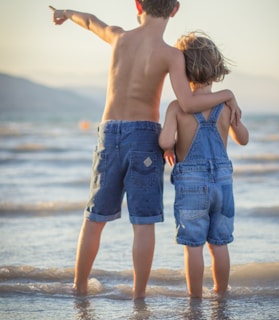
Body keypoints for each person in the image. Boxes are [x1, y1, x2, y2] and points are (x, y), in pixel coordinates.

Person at [49, 1, 241, 300]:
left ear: (138, 4)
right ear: (175, 10)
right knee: (143, 221)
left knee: (95, 217)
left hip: (109, 132)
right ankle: (138, 296)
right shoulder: (171, 55)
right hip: (144, 137)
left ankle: (80, 286)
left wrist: (65, 13)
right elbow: (187, 104)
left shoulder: (118, 36)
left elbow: (89, 21)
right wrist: (227, 94)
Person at [159, 31, 249, 299]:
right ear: (216, 68)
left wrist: (167, 146)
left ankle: (195, 299)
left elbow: (165, 140)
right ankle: (221, 293)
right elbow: (243, 139)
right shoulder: (225, 104)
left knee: (194, 246)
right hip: (223, 183)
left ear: (182, 70)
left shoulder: (177, 107)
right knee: (219, 244)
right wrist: (235, 117)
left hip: (191, 186)